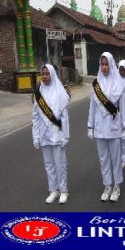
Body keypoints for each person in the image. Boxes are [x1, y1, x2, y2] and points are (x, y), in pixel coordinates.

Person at [87, 52, 125, 202]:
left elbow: (123, 107)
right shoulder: (96, 85)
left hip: (114, 126)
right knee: (103, 159)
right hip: (100, 127)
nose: (104, 67)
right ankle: (107, 185)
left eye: (106, 64)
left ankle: (117, 187)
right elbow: (92, 107)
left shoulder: (119, 84)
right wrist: (90, 126)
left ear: (111, 65)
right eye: (102, 64)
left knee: (115, 159)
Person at [32, 64, 70, 204]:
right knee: (49, 164)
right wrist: (35, 136)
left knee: (60, 163)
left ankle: (64, 190)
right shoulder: (38, 94)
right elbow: (35, 117)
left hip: (58, 134)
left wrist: (65, 135)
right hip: (44, 135)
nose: (45, 76)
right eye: (43, 74)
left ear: (52, 74)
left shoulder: (59, 92)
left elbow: (65, 117)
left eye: (47, 74)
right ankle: (53, 190)